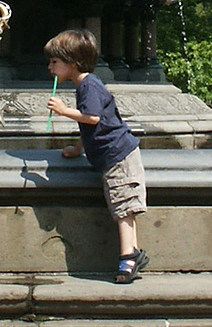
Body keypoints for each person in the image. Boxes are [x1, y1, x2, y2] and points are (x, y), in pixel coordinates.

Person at [44, 29, 149, 284]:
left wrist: (64, 111)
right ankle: (133, 252)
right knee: (122, 203)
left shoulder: (89, 85)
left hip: (118, 155)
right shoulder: (85, 86)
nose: (50, 67)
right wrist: (78, 149)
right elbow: (91, 125)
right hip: (113, 156)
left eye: (54, 62)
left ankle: (128, 256)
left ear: (72, 62)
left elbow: (92, 118)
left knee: (123, 205)